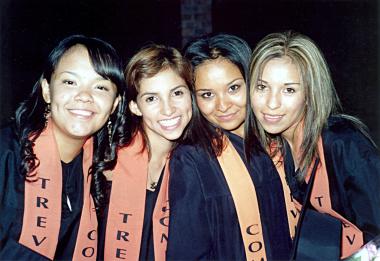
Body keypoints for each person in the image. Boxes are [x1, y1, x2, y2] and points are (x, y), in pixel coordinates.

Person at [248, 30, 380, 259]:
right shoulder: (273, 149)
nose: (271, 103)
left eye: (289, 90)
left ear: (309, 94)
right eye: (262, 87)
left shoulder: (343, 144)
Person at [166, 33, 293, 260]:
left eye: (233, 88)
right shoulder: (192, 160)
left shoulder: (281, 140)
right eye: (207, 94)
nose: (223, 105)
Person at [0, 35, 125, 260]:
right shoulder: (6, 154)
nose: (85, 96)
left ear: (115, 104)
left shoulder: (98, 170)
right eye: (70, 82)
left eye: (101, 87)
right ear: (47, 90)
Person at [98, 44, 193, 261]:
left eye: (177, 93)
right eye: (151, 98)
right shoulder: (107, 162)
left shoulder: (194, 165)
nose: (168, 109)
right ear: (134, 107)